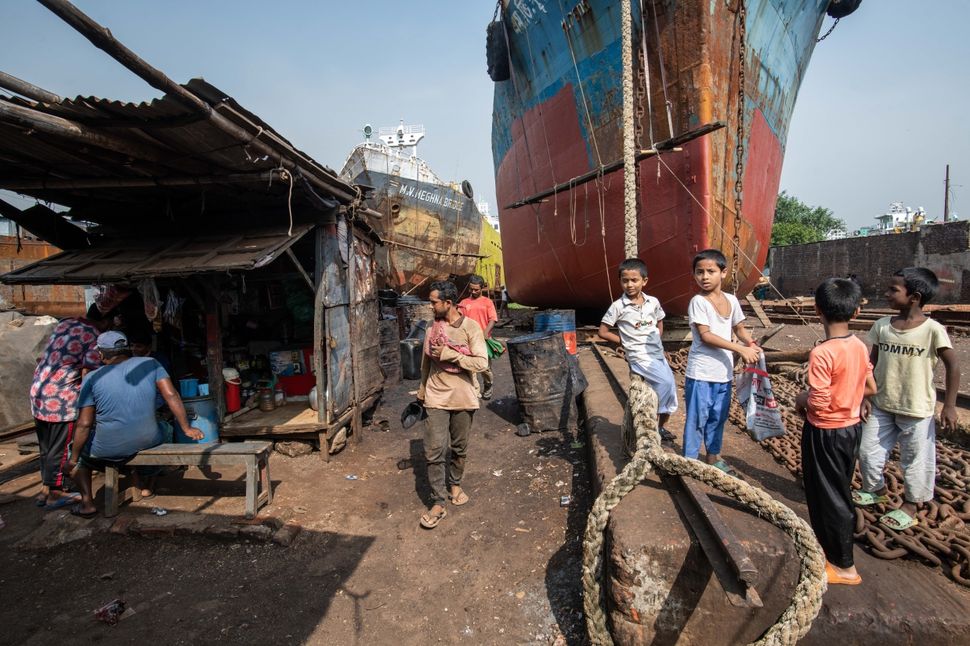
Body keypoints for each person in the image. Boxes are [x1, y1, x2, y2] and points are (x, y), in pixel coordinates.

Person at [854, 267, 961, 532]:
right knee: (867, 451)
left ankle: (912, 505)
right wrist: (865, 395)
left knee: (916, 461)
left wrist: (948, 405)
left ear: (913, 297)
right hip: (881, 404)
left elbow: (953, 366)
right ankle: (875, 489)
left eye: (894, 290)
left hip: (916, 409)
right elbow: (872, 363)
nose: (887, 293)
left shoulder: (932, 330)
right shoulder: (882, 326)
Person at [65, 331, 203, 518]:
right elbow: (171, 395)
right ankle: (147, 485)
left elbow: (84, 423)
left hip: (109, 448)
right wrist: (187, 428)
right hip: (148, 439)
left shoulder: (92, 378)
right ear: (127, 349)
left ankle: (87, 503)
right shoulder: (150, 364)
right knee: (166, 428)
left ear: (101, 354)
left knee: (78, 452)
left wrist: (72, 459)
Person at [795, 278, 876, 586]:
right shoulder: (858, 345)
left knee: (828, 497)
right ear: (855, 312)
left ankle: (844, 567)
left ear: (817, 311)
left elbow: (817, 402)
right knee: (838, 490)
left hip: (825, 433)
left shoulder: (822, 353)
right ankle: (834, 554)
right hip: (851, 429)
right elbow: (871, 387)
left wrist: (800, 400)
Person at [416, 280, 488, 529]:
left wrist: (450, 354)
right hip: (436, 396)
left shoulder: (471, 328)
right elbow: (426, 363)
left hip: (463, 396)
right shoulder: (431, 329)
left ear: (448, 303)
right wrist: (423, 388)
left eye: (434, 302)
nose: (431, 306)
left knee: (459, 448)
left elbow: (481, 363)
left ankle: (455, 485)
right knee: (434, 450)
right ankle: (437, 502)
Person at [683, 249, 761, 474]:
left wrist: (750, 343)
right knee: (697, 419)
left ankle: (713, 456)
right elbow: (706, 336)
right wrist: (739, 348)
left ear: (723, 273)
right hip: (701, 373)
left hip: (723, 374)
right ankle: (690, 461)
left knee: (718, 418)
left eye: (710, 271)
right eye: (699, 272)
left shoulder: (731, 300)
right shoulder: (698, 302)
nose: (704, 277)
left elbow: (738, 327)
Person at [28, 304, 111, 509]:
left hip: (39, 391)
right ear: (105, 321)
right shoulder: (94, 336)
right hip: (61, 400)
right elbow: (91, 371)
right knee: (62, 448)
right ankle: (56, 493)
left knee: (47, 447)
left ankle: (45, 490)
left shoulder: (66, 323)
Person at [598, 258, 678, 442]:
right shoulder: (618, 306)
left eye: (634, 280)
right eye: (625, 280)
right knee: (664, 384)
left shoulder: (653, 302)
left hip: (656, 353)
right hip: (639, 355)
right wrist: (625, 343)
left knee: (671, 391)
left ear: (645, 281)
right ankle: (651, 427)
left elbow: (659, 319)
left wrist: (657, 336)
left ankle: (660, 427)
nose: (629, 284)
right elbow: (603, 332)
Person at [458, 274, 498, 400]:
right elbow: (459, 320)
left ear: (482, 288)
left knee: (485, 368)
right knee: (471, 369)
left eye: (476, 289)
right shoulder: (464, 303)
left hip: (483, 341)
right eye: (471, 289)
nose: (473, 291)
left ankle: (488, 384)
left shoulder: (487, 302)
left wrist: (486, 332)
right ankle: (475, 393)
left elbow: (493, 319)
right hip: (468, 341)